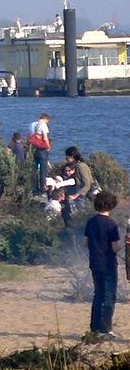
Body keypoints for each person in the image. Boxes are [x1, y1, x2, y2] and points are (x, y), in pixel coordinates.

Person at [86, 190, 122, 341]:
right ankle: (105, 329)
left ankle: (94, 328)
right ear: (111, 206)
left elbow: (86, 243)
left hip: (94, 263)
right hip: (108, 265)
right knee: (108, 296)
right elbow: (115, 247)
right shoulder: (111, 224)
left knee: (98, 294)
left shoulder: (91, 222)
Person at [58, 146, 96, 229]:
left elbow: (87, 184)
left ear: (72, 156)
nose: (66, 158)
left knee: (83, 214)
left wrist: (76, 195)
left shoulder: (81, 166)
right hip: (84, 194)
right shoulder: (76, 166)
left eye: (67, 156)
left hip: (89, 193)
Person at [29, 113, 52, 194]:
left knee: (35, 169)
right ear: (46, 119)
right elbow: (45, 138)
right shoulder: (43, 125)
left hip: (36, 149)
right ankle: (43, 189)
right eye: (48, 121)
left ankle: (35, 189)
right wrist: (48, 146)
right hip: (42, 149)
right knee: (43, 170)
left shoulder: (36, 125)